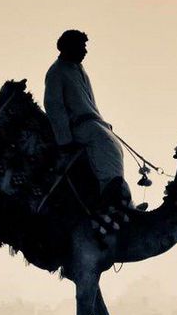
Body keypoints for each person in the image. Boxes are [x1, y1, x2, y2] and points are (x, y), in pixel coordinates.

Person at [43, 29, 131, 209]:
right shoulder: (56, 73)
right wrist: (64, 140)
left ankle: (123, 198)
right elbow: (54, 106)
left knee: (112, 143)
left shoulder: (78, 70)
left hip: (93, 123)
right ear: (69, 47)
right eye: (82, 47)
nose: (85, 51)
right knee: (104, 141)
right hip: (77, 127)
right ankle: (111, 197)